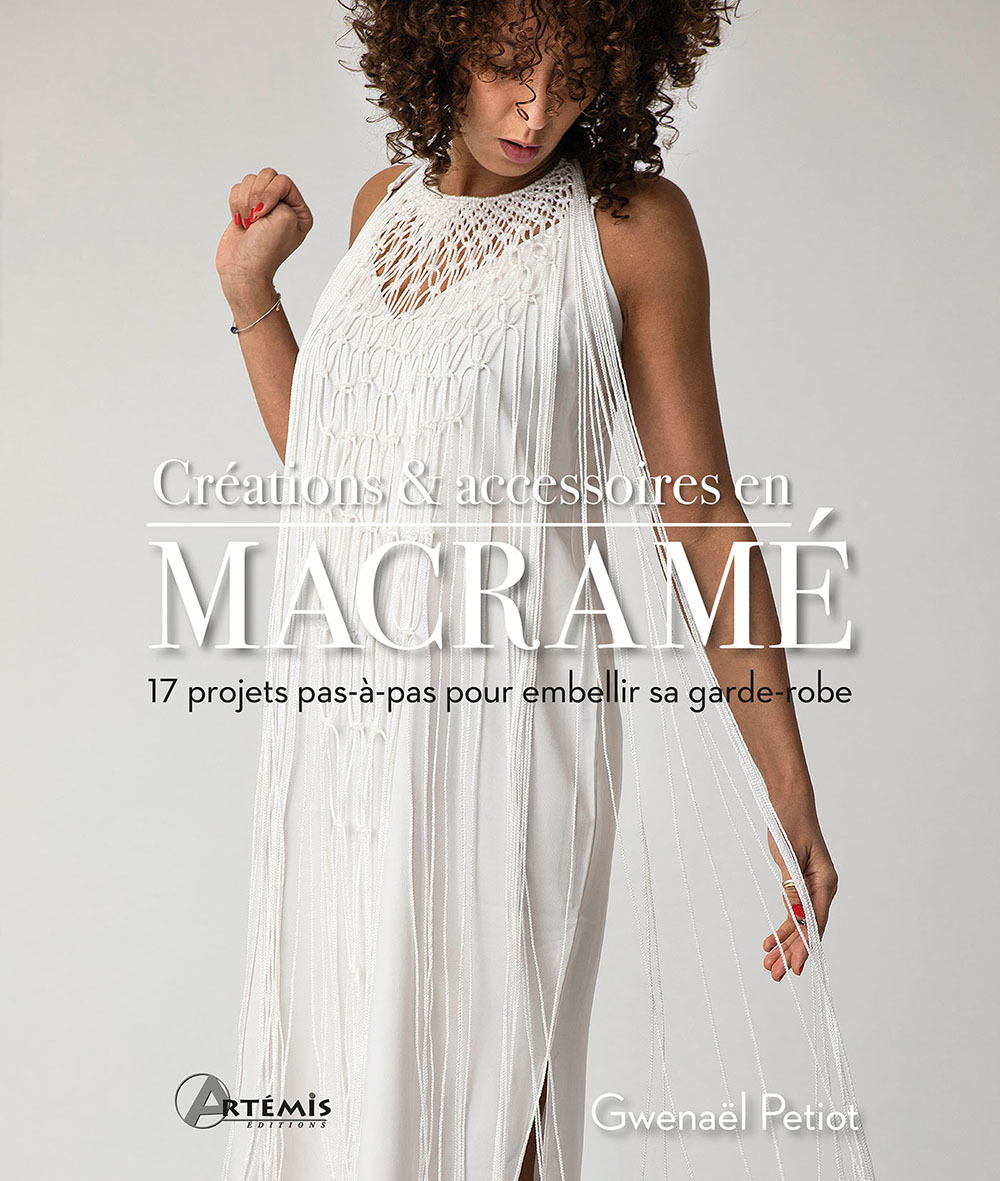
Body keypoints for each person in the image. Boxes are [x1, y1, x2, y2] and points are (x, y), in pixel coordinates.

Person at [215, 3, 872, 1179]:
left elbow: (701, 515)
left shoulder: (630, 230)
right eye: (507, 65)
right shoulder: (377, 211)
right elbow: (336, 478)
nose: (535, 109)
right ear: (438, 44)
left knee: (489, 1101)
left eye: (573, 75)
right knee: (352, 1091)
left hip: (510, 732)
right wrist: (249, 290)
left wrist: (786, 784)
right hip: (344, 728)